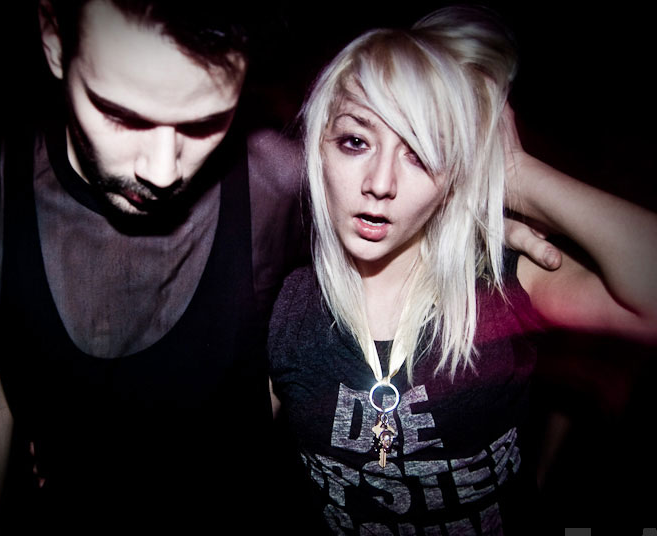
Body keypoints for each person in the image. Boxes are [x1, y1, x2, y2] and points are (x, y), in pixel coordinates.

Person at [0, 1, 554, 534]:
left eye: (205, 122)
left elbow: (391, 211)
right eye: (120, 115)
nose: (162, 170)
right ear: (53, 38)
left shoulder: (277, 180)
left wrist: (475, 212)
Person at [267, 6, 657, 535]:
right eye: (355, 141)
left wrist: (514, 174)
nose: (380, 183)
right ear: (318, 149)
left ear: (455, 174)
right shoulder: (280, 308)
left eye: (421, 154)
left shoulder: (501, 280)